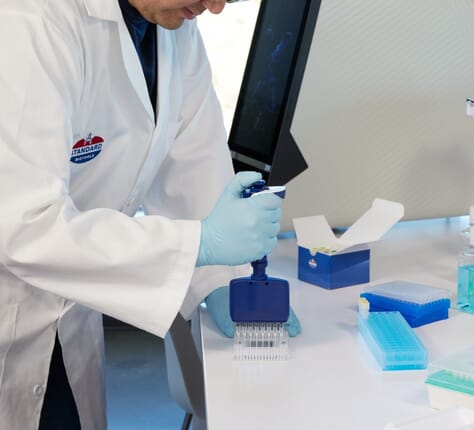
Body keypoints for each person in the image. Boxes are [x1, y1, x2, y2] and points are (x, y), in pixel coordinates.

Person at [0, 1, 285, 429]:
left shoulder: (173, 26)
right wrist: (200, 244)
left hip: (69, 313)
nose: (217, 6)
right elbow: (26, 225)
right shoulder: (31, 22)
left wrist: (224, 280)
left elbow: (194, 171)